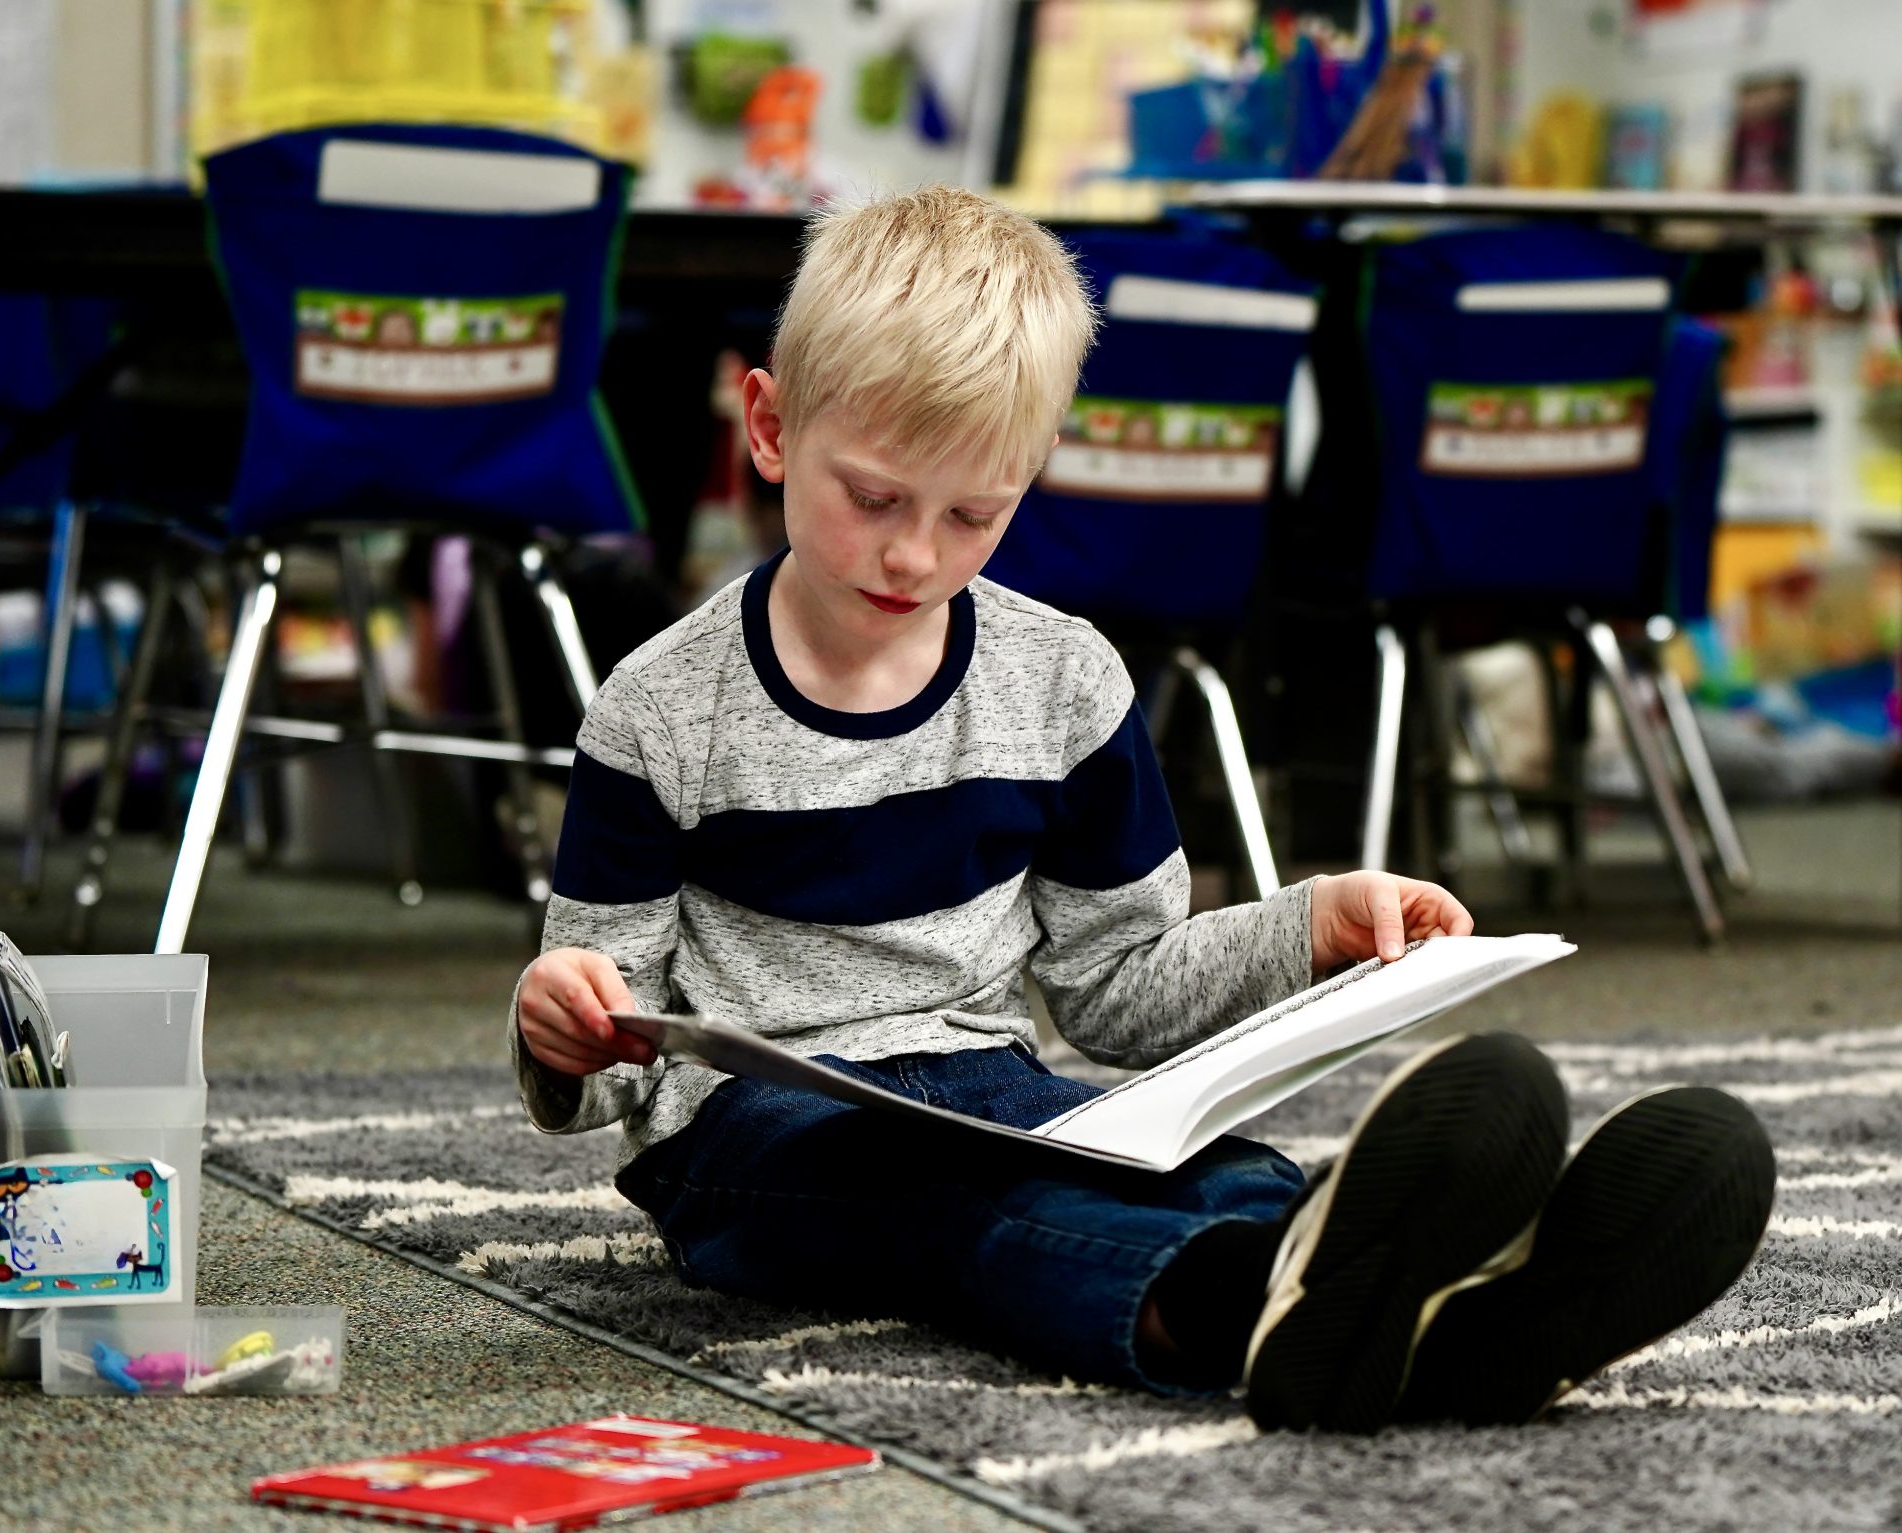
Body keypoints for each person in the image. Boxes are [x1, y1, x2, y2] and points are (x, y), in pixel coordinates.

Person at [511, 185, 1775, 1430]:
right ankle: (1235, 1311)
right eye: (876, 498)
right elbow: (616, 1035)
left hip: (985, 1079)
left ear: (1031, 472)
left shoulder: (1064, 681)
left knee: (1172, 1157)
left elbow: (1119, 994)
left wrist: (1314, 924)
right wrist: (564, 1030)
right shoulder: (658, 708)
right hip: (748, 1142)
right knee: (965, 1201)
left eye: (976, 514)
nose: (915, 556)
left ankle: (1441, 1311)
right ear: (771, 429)